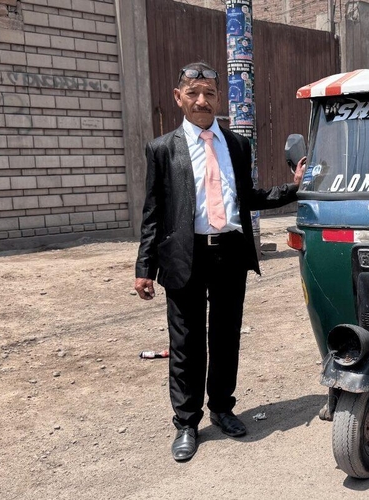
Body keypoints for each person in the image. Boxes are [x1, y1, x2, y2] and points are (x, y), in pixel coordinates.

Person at [134, 62, 306, 462]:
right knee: (187, 343)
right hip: (184, 256)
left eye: (209, 93)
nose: (201, 100)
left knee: (226, 336)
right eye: (193, 92)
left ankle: (223, 409)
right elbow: (152, 212)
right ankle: (187, 424)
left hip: (229, 251)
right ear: (178, 98)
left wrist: (292, 190)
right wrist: (144, 267)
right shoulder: (163, 149)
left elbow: (248, 197)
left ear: (218, 99)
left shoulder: (236, 145)